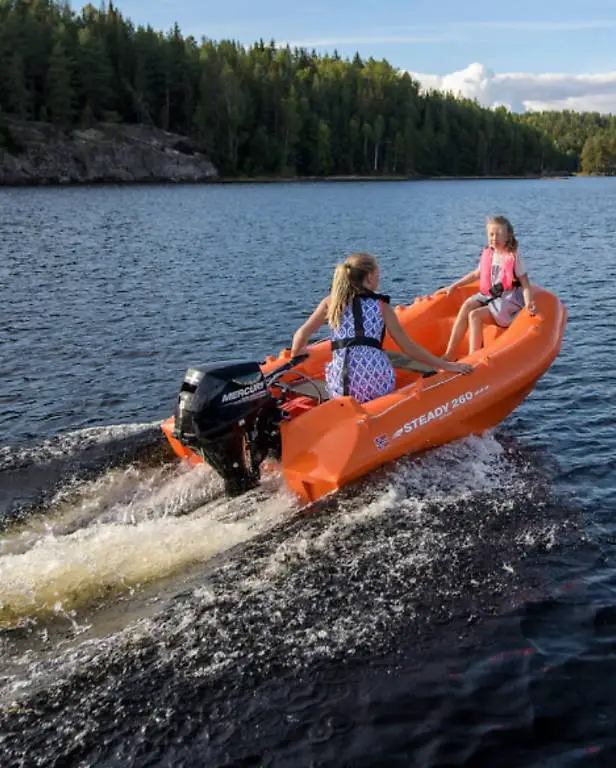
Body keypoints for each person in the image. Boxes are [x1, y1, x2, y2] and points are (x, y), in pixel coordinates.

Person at [290, 252, 472, 404]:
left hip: (342, 386)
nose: (379, 278)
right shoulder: (381, 305)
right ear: (369, 277)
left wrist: (297, 354)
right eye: (378, 274)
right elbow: (408, 347)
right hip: (376, 383)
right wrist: (445, 365)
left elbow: (301, 335)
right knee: (383, 364)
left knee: (337, 373)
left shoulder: (330, 303)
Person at [442, 216, 536, 360]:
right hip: (489, 295)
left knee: (474, 315)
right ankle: (450, 354)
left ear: (508, 236)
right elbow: (476, 274)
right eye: (491, 234)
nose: (494, 238)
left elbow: (525, 284)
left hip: (506, 300)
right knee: (467, 306)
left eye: (499, 234)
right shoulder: (489, 253)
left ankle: (473, 358)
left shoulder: (513, 257)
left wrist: (529, 302)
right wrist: (454, 285)